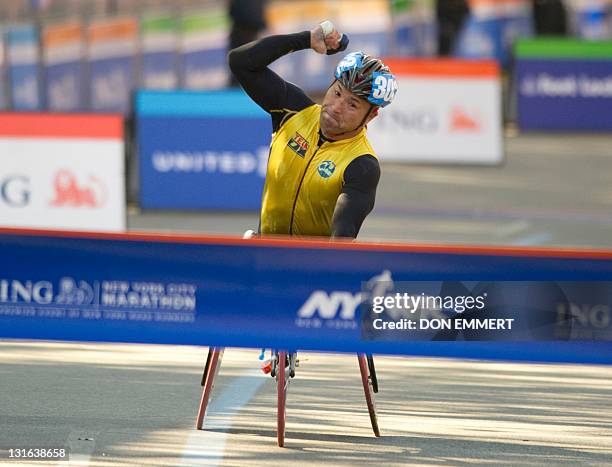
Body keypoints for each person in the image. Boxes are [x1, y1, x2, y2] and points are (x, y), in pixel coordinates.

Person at [228, 21, 397, 239]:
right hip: (263, 253)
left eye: (352, 104)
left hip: (309, 265)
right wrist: (306, 40)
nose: (337, 108)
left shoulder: (362, 164)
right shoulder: (294, 109)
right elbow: (240, 62)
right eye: (337, 93)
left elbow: (341, 240)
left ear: (371, 115)